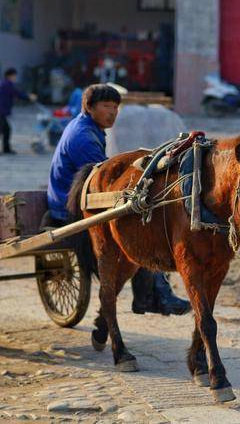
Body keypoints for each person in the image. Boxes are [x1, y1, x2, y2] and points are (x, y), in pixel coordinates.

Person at [46, 83, 191, 316]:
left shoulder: (90, 128)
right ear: (89, 107)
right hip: (69, 206)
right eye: (106, 106)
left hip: (81, 198)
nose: (112, 112)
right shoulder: (83, 136)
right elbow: (100, 178)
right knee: (139, 232)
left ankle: (151, 296)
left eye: (115, 107)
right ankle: (153, 297)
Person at [0, 67, 36, 155]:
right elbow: (18, 94)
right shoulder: (7, 84)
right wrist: (29, 97)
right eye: (14, 76)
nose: (15, 78)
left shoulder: (5, 83)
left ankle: (6, 149)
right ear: (10, 76)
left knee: (7, 129)